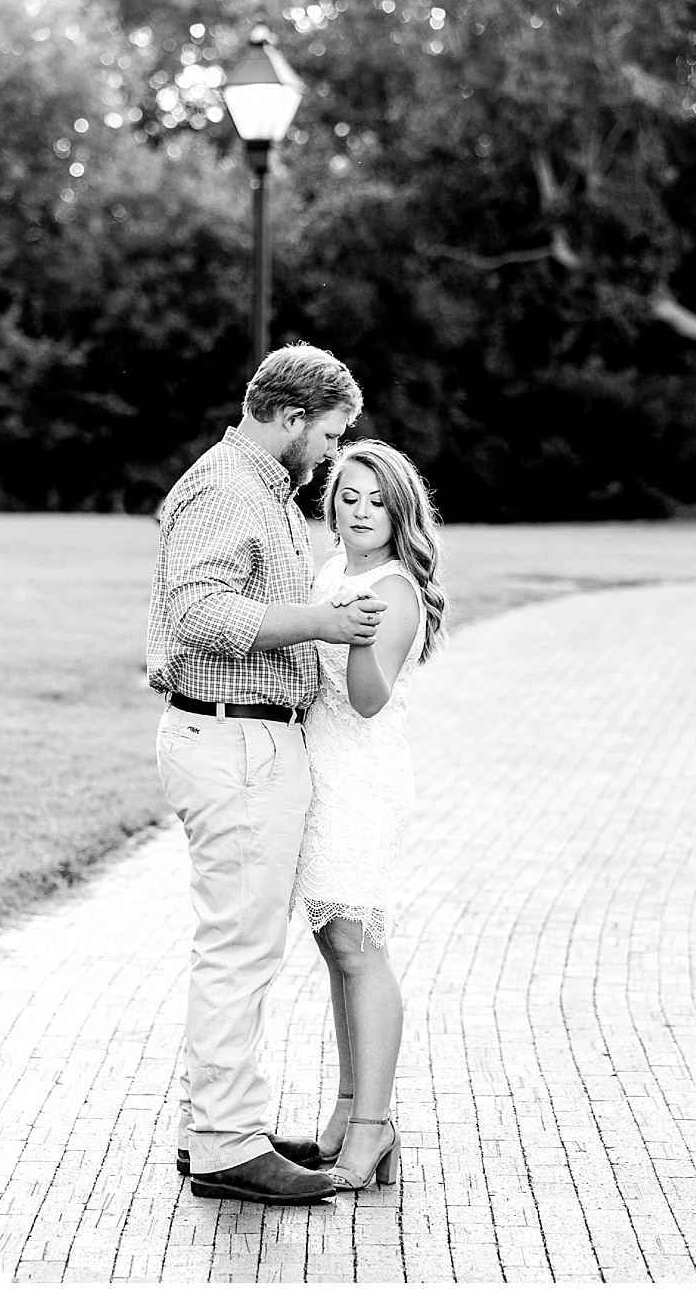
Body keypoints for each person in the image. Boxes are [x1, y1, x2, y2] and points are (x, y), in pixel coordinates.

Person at [145, 343, 386, 1205]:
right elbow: (197, 612)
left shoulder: (263, 490)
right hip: (235, 742)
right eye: (325, 436)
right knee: (239, 950)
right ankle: (223, 1145)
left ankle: (215, 1122)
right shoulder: (226, 488)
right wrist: (320, 620)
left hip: (245, 740)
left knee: (237, 945)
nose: (328, 454)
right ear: (289, 419)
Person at [288, 440, 447, 1191]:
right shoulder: (333, 571)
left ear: (399, 513)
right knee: (334, 947)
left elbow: (368, 697)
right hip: (319, 776)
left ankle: (375, 1128)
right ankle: (346, 1111)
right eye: (348, 496)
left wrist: (349, 631)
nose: (358, 511)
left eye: (376, 501)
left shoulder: (393, 588)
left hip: (361, 778)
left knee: (360, 946)